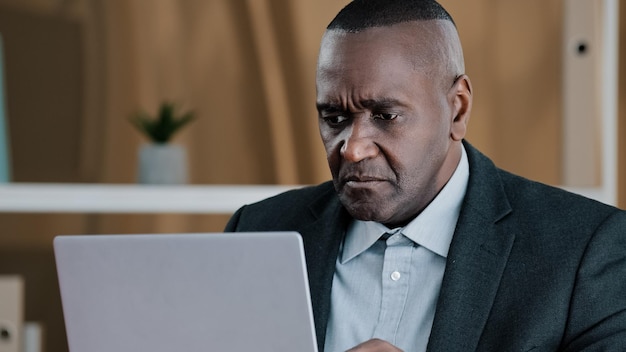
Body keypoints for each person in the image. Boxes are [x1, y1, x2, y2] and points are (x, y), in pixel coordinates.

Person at [225, 0, 626, 351]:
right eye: (334, 118)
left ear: (457, 109)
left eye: (385, 116)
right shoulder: (257, 232)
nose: (352, 147)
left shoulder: (586, 250)